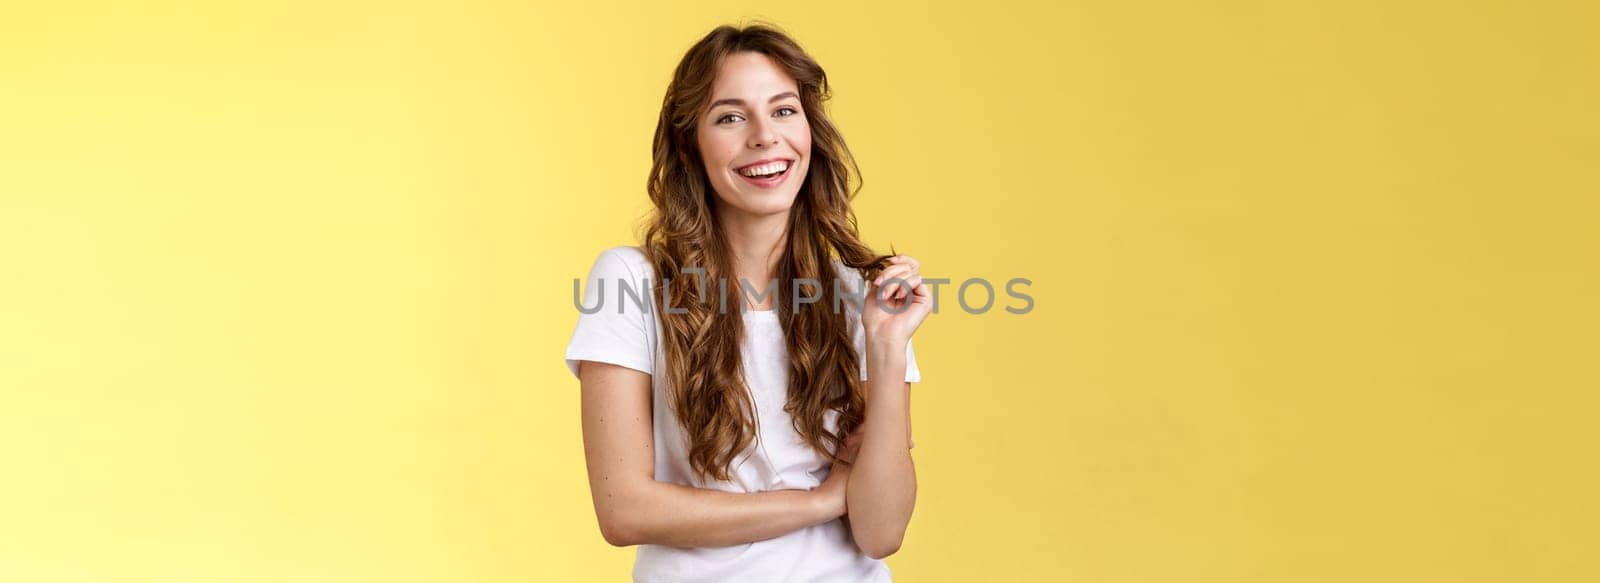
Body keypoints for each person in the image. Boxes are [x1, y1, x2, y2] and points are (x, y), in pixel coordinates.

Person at [564, 23, 934, 582]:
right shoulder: (631, 282)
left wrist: (885, 350)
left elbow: (881, 531)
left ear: (810, 130)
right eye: (731, 117)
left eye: (784, 111)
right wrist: (822, 500)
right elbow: (624, 510)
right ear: (690, 145)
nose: (765, 137)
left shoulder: (863, 298)